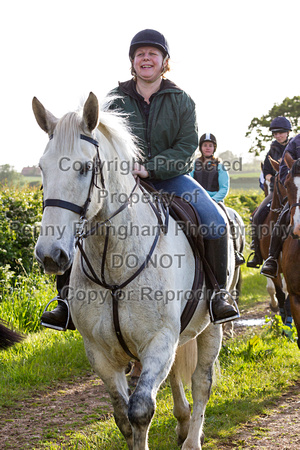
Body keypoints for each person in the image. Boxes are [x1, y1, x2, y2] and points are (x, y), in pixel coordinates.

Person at [41, 29, 239, 329]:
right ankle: (66, 302)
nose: (146, 58)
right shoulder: (114, 100)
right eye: (139, 54)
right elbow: (96, 143)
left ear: (164, 62)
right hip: (122, 182)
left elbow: (186, 147)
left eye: (152, 54)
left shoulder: (182, 100)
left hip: (171, 179)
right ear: (132, 62)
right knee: (81, 219)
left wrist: (150, 168)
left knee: (214, 220)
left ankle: (218, 296)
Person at [247, 116, 292, 268]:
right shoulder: (272, 150)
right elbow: (266, 171)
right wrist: (272, 179)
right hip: (277, 192)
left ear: (287, 132)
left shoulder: (294, 147)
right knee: (258, 215)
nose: (278, 136)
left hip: (293, 191)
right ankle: (257, 252)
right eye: (275, 133)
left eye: (281, 132)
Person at [260, 133, 300, 278]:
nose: (278, 135)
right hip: (297, 190)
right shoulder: (295, 142)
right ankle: (271, 258)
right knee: (282, 218)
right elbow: (283, 167)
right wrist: (288, 183)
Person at [191, 133, 229, 203]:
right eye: (205, 145)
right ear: (201, 148)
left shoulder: (220, 166)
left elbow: (224, 188)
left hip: (214, 201)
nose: (207, 148)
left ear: (214, 148)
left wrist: (213, 200)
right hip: (196, 199)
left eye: (210, 146)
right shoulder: (193, 165)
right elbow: (189, 183)